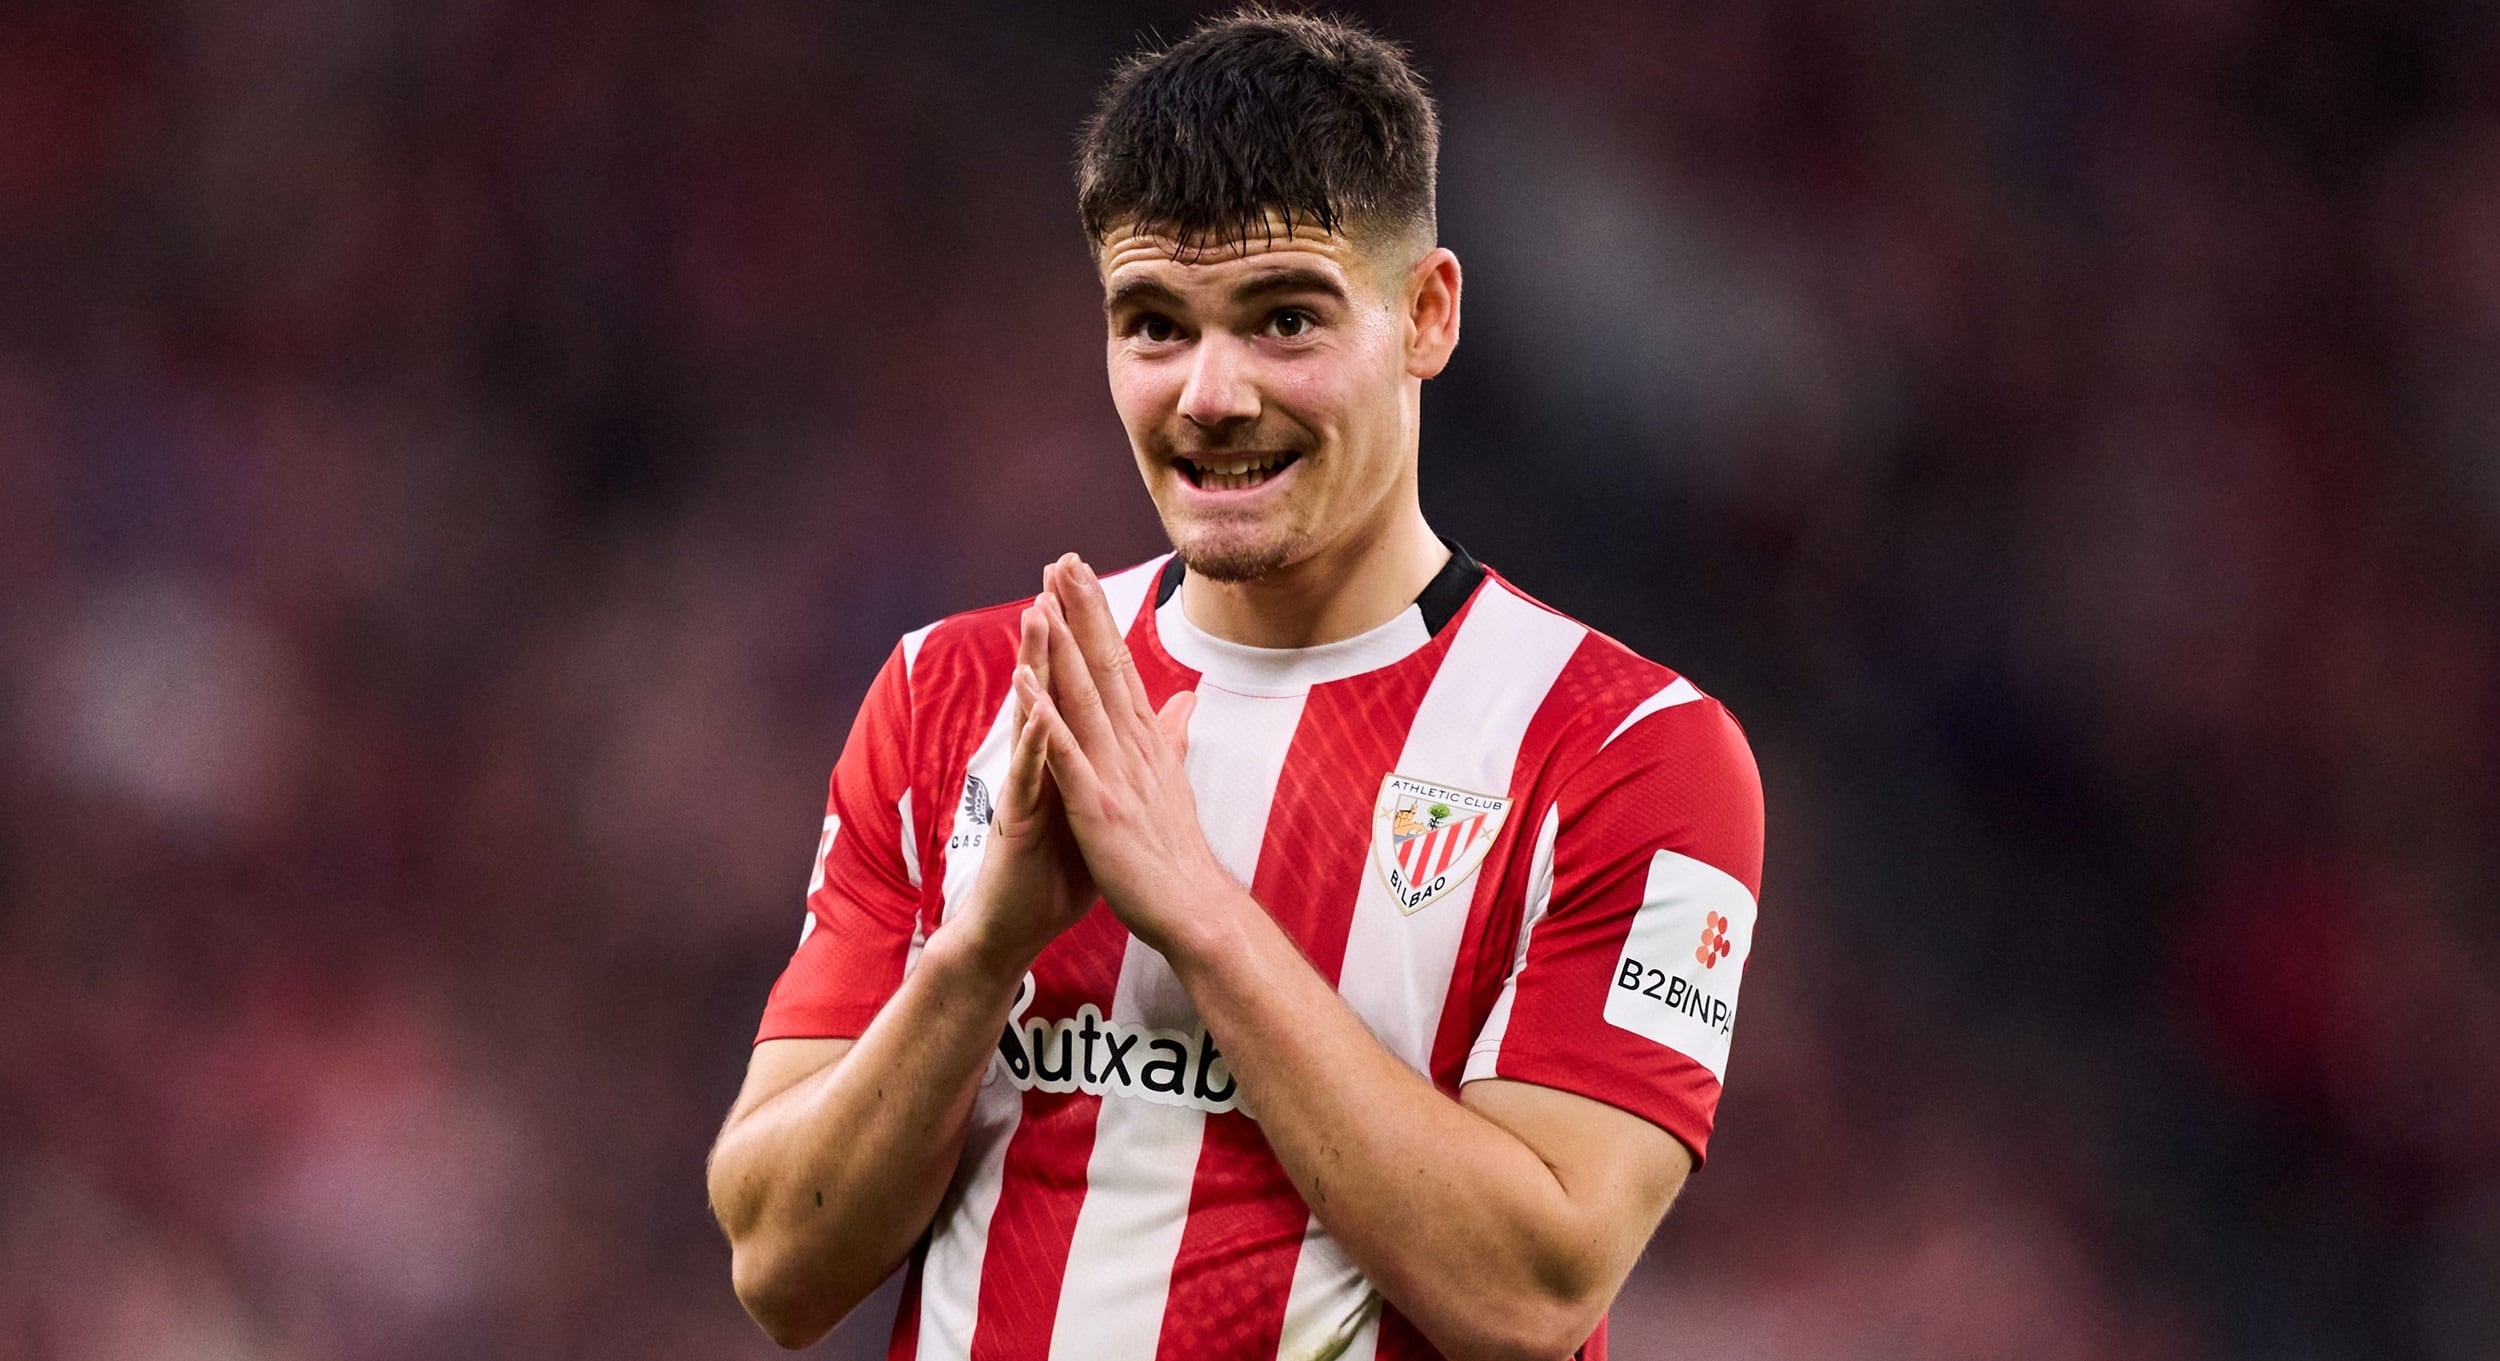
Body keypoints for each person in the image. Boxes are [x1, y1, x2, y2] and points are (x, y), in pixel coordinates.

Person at [705, 10, 1764, 1359]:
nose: (1209, 391)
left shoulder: (1631, 751)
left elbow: (1532, 1293)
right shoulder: (952, 693)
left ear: (1426, 315)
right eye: (1155, 324)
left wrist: (1199, 913)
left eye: (1283, 319)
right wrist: (981, 952)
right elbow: (778, 1261)